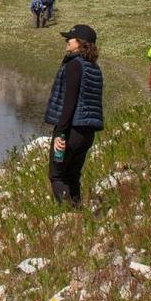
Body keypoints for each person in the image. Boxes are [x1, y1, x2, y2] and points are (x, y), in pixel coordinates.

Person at [43, 24, 104, 206]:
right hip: (87, 133)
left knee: (57, 175)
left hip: (71, 132)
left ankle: (69, 214)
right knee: (73, 176)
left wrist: (60, 133)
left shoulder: (74, 65)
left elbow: (69, 103)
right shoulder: (94, 67)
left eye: (70, 38)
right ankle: (78, 213)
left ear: (81, 43)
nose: (67, 40)